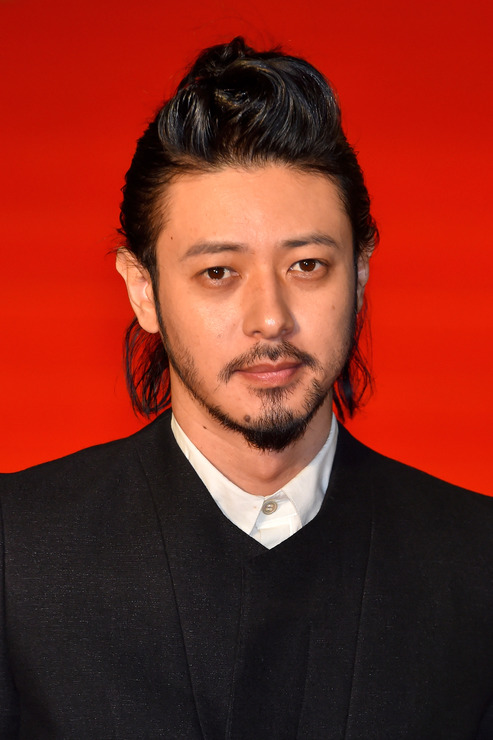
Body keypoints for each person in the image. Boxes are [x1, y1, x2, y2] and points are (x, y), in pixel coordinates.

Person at [1, 37, 492, 740]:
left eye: (307, 265)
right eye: (218, 273)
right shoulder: (19, 553)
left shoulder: (473, 564)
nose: (270, 319)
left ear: (358, 274)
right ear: (142, 289)